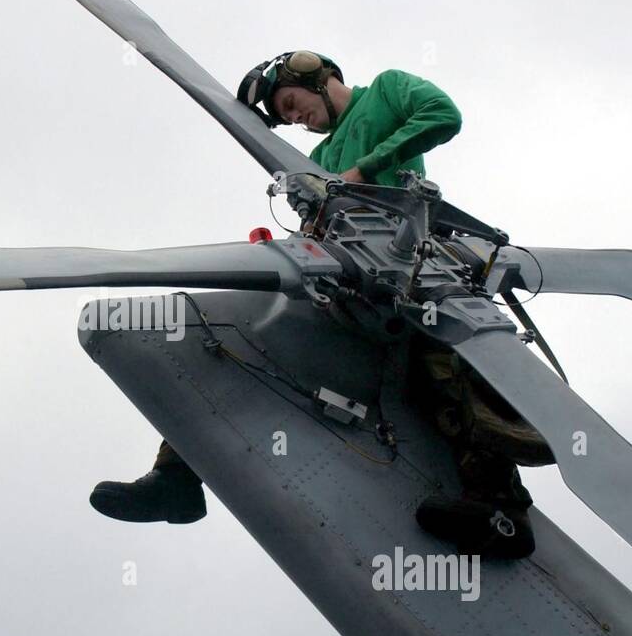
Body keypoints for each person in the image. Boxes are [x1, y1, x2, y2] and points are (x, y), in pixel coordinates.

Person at [89, 51, 463, 526]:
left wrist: (365, 171)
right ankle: (176, 478)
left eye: (291, 102)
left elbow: (443, 114)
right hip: (342, 289)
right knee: (225, 338)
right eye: (286, 116)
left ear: (317, 75)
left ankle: (499, 504)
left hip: (409, 279)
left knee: (455, 382)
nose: (295, 119)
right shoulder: (320, 159)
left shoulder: (387, 90)